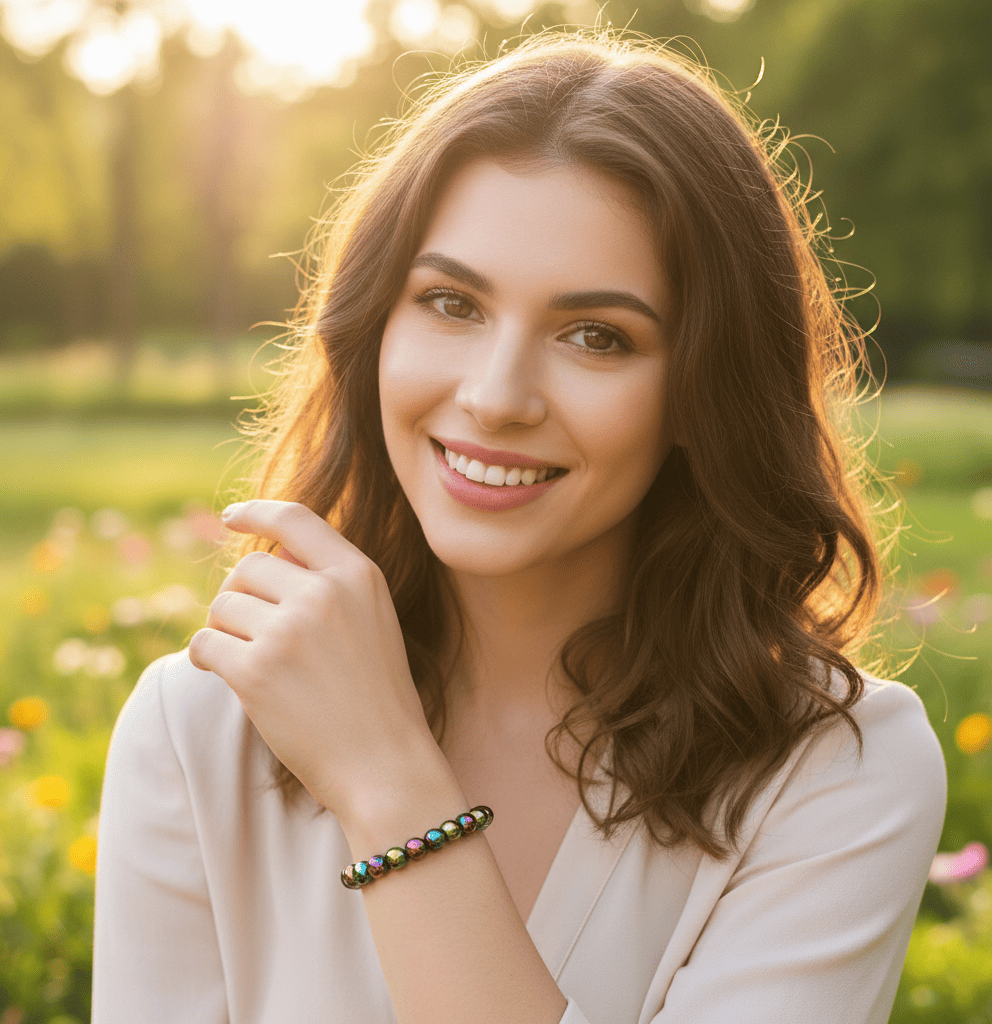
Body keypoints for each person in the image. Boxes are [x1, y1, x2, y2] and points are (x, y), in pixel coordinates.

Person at [91, 27, 947, 1024]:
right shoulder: (200, 734)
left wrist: (391, 786)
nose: (495, 397)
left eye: (596, 336)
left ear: (702, 390)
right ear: (373, 330)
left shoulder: (835, 767)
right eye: (451, 303)